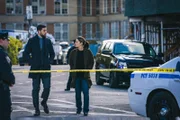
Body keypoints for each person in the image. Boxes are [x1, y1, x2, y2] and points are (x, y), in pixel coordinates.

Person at [23, 24, 55, 116]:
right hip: (35, 69)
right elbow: (26, 53)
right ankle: (37, 109)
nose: (46, 32)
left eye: (46, 30)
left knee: (47, 87)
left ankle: (44, 102)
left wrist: (49, 61)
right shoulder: (32, 41)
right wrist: (31, 62)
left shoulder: (48, 41)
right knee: (35, 89)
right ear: (39, 31)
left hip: (45, 68)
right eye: (44, 30)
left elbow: (52, 54)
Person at [69, 36, 94, 116]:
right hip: (76, 77)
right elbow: (70, 62)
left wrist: (88, 70)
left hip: (85, 77)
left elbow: (91, 62)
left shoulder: (88, 52)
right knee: (77, 94)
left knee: (86, 93)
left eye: (76, 42)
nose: (75, 43)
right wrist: (73, 69)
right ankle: (78, 108)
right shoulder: (73, 52)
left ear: (81, 43)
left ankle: (86, 110)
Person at [0, 32, 15, 120]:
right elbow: (6, 72)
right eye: (7, 40)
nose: (8, 42)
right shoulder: (2, 54)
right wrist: (11, 81)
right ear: (1, 40)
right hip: (2, 90)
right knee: (4, 113)